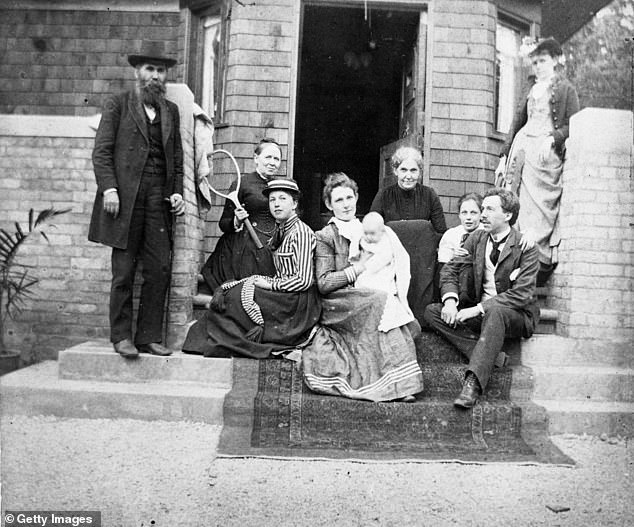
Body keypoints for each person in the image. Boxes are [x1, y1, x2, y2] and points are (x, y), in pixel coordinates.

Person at [89, 41, 184, 359]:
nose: (156, 76)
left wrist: (177, 193)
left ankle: (148, 337)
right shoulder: (118, 104)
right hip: (126, 200)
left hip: (159, 200)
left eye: (160, 71)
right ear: (137, 72)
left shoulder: (171, 111)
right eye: (150, 69)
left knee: (159, 269)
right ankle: (121, 337)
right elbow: (101, 151)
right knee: (124, 272)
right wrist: (110, 189)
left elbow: (177, 159)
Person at [302, 173, 423, 403]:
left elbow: (395, 259)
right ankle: (396, 385)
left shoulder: (371, 228)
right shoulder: (326, 236)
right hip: (338, 301)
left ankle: (402, 383)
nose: (346, 204)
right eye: (338, 200)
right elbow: (325, 283)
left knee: (385, 300)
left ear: (356, 198)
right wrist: (356, 270)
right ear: (329, 204)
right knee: (380, 301)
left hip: (366, 295)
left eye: (349, 197)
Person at [424, 188, 540, 409]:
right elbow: (450, 270)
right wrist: (450, 301)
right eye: (483, 208)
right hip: (482, 313)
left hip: (515, 315)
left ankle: (473, 383)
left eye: (489, 209)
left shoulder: (526, 247)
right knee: (432, 311)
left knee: (495, 311)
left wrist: (477, 309)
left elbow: (520, 295)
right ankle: (493, 358)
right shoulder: (476, 238)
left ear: (507, 216)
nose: (483, 214)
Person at [182, 178, 321, 358]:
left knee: (236, 299)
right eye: (272, 200)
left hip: (297, 303)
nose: (276, 204)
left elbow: (303, 280)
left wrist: (269, 285)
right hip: (285, 294)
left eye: (282, 199)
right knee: (232, 293)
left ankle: (229, 338)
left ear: (294, 203)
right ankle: (209, 338)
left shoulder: (300, 232)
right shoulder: (281, 230)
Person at [497, 37, 580, 284]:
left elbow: (571, 124)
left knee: (539, 208)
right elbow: (516, 124)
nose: (538, 66)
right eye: (534, 62)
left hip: (544, 154)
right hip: (522, 148)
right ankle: (513, 261)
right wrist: (504, 155)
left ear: (555, 61)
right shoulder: (531, 89)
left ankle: (535, 263)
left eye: (542, 61)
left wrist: (553, 139)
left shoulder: (566, 89)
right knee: (515, 201)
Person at [200, 138, 283, 291]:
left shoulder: (280, 186)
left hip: (272, 243)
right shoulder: (241, 184)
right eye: (268, 157)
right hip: (244, 245)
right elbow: (223, 223)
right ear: (256, 158)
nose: (272, 162)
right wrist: (236, 221)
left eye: (277, 159)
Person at [370, 146, 447, 234]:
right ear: (395, 171)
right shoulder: (384, 195)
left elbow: (440, 231)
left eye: (413, 170)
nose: (408, 176)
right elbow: (372, 230)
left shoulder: (429, 194)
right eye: (403, 170)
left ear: (419, 172)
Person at [437, 193, 483, 266]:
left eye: (473, 213)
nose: (468, 217)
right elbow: (443, 263)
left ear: (481, 215)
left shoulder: (486, 234)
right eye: (464, 213)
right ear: (459, 215)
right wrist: (453, 258)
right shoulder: (451, 235)